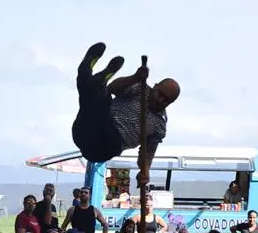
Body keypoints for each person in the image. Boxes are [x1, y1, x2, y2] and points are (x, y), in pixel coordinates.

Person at [71, 42, 180, 186]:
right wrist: (135, 78)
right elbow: (113, 88)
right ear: (155, 86)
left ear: (170, 103)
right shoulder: (141, 89)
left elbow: (146, 154)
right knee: (96, 93)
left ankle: (85, 70)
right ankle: (96, 76)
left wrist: (145, 172)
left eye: (166, 100)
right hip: (89, 128)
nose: (160, 100)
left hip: (108, 144)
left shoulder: (160, 125)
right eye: (160, 93)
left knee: (90, 90)